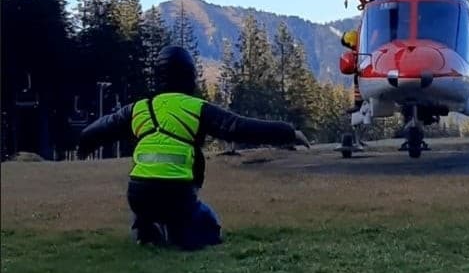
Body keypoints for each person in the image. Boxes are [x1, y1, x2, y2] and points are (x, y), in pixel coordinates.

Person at [76, 45, 310, 251]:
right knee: (209, 227)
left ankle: (146, 227)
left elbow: (100, 128)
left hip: (138, 195)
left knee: (151, 208)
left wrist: (84, 145)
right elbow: (239, 127)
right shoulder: (197, 108)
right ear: (189, 75)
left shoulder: (138, 108)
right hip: (176, 194)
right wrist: (289, 132)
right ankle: (178, 230)